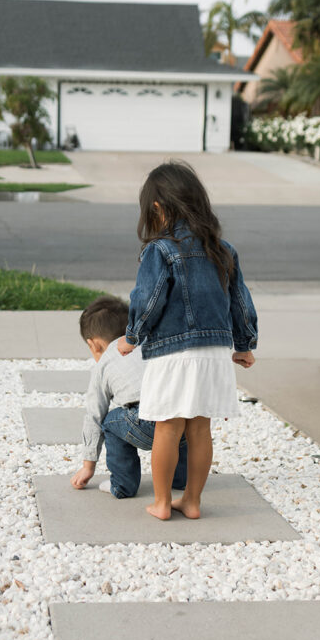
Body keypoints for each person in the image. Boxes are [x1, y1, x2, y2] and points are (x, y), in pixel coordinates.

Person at [118, 160, 258, 521]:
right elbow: (240, 299)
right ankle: (192, 501)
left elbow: (148, 298)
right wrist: (244, 344)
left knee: (168, 425)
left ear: (158, 208)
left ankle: (162, 502)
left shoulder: (160, 250)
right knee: (200, 427)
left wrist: (132, 336)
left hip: (173, 352)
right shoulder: (222, 248)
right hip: (214, 352)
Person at [70, 295, 188, 498]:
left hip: (149, 423)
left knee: (109, 421)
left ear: (94, 345)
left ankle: (123, 484)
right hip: (185, 417)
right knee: (178, 427)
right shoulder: (149, 341)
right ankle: (181, 479)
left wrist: (88, 466)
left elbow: (93, 416)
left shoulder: (104, 364)